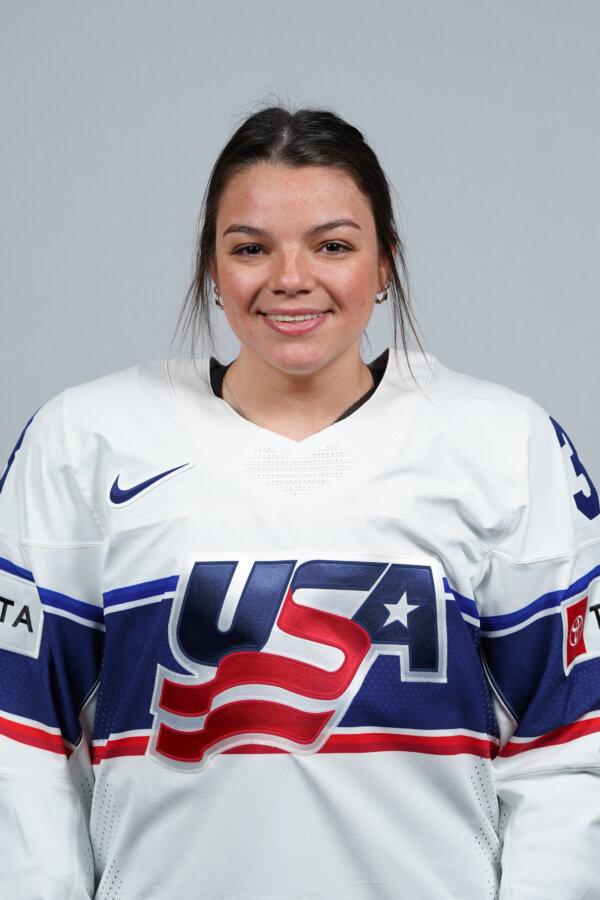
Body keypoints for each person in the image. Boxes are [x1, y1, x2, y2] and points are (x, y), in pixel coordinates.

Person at [0, 103, 599, 900]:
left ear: (385, 264)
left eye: (333, 245)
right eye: (250, 248)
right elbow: (21, 745)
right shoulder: (86, 440)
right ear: (212, 268)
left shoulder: (504, 443)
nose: (290, 277)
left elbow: (569, 747)